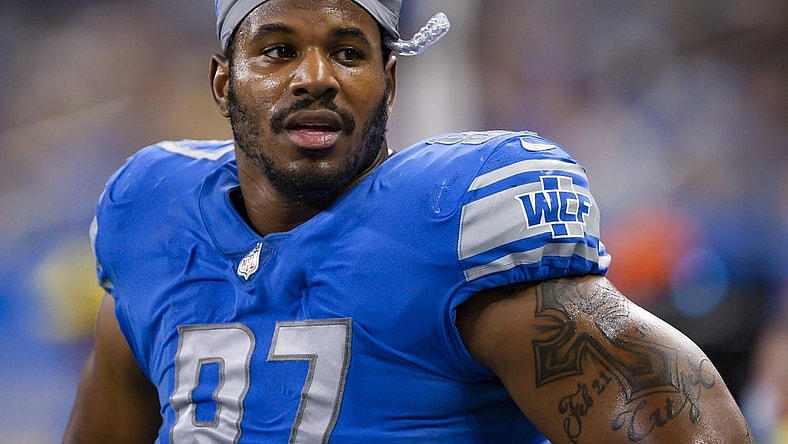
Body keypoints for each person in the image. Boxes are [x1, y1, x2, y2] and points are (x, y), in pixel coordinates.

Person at [63, 0, 754, 442]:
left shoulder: (451, 227)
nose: (315, 77)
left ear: (389, 82)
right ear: (222, 82)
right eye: (277, 50)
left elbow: (688, 429)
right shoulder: (154, 222)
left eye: (348, 50)